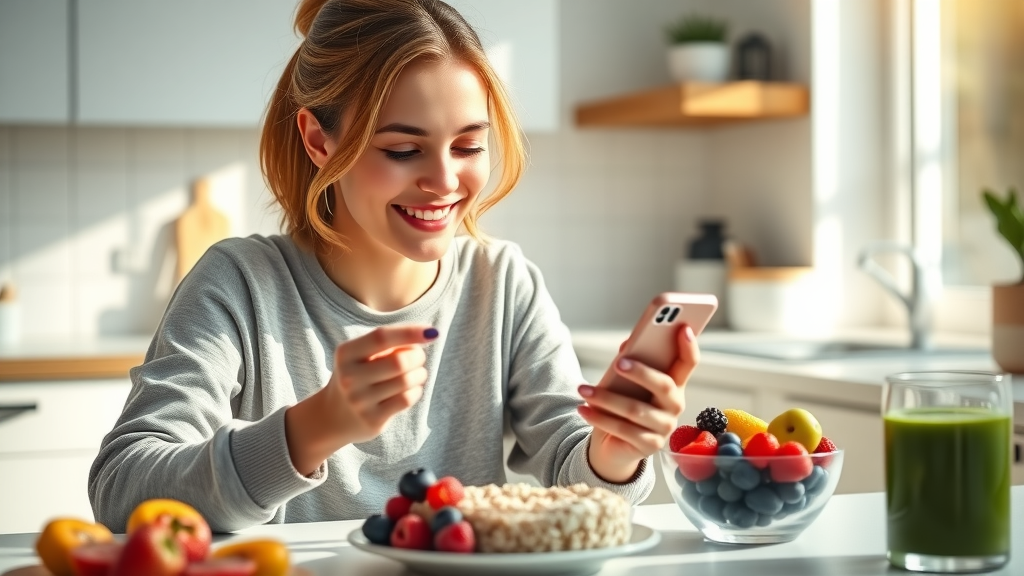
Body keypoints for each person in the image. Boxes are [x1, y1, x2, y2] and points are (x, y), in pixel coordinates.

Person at [89, 0, 700, 533]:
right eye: (403, 150)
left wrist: (612, 452)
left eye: (468, 146)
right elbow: (122, 488)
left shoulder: (504, 284)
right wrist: (314, 427)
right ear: (317, 140)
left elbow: (581, 489)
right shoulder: (239, 284)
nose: (443, 181)